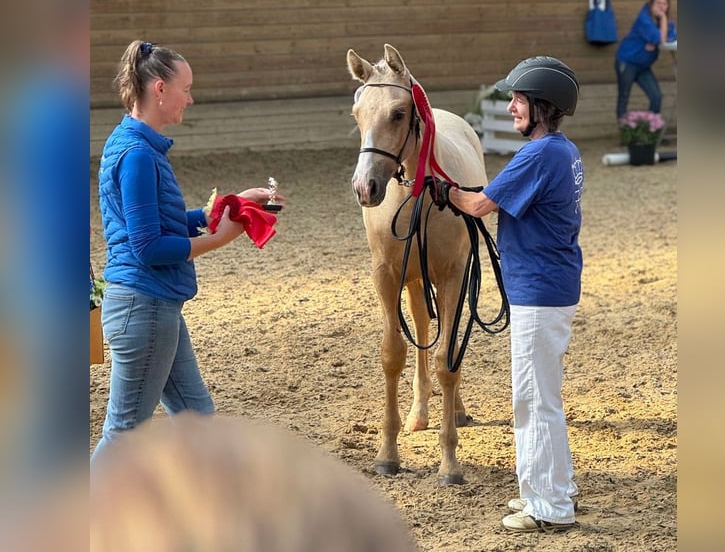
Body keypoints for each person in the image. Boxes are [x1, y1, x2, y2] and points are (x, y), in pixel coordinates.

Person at [92, 40, 284, 460]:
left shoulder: (129, 142)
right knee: (124, 435)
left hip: (152, 308)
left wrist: (224, 207)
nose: (191, 98)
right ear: (160, 88)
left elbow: (155, 221)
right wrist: (222, 236)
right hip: (144, 306)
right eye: (186, 88)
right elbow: (149, 247)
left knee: (195, 415)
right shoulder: (139, 154)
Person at [434, 56, 583, 533]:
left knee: (533, 400)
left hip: (539, 290)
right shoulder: (564, 151)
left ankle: (549, 507)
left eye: (518, 100)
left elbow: (478, 204)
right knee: (543, 397)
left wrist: (446, 192)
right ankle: (557, 490)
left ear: (542, 106)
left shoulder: (537, 156)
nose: (512, 108)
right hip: (552, 285)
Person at [90, 413, 418, 552]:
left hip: (167, 302)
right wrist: (189, 261)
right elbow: (152, 262)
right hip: (152, 302)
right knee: (124, 426)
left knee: (199, 412)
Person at [614, 0, 677, 122]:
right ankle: (626, 134)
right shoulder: (644, 19)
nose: (661, 7)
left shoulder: (663, 23)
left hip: (643, 67)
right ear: (651, 5)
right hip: (628, 62)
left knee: (656, 96)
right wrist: (663, 23)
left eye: (665, 4)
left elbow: (671, 36)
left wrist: (659, 37)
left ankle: (652, 131)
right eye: (658, 3)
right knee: (624, 96)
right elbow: (661, 39)